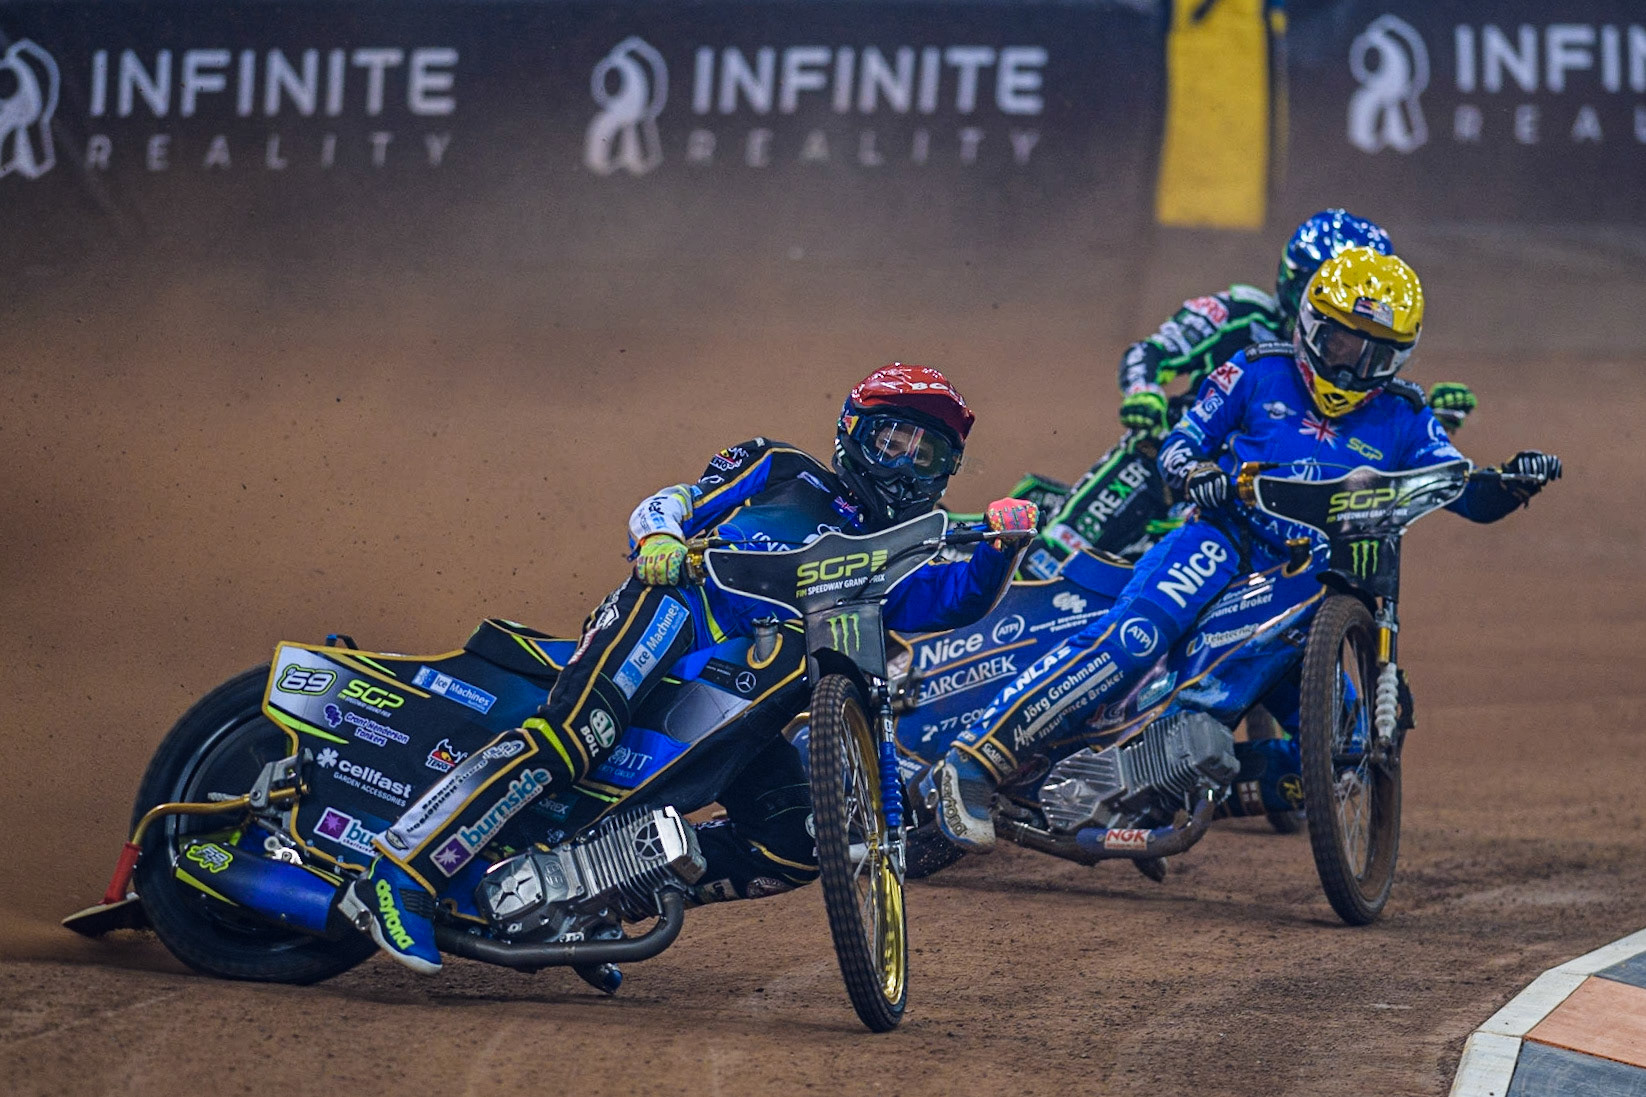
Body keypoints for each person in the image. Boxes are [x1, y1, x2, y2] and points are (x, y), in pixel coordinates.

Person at [338, 364, 1039, 972]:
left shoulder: (896, 553)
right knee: (576, 733)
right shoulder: (780, 466)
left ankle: (589, 899)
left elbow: (955, 598)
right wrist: (662, 538)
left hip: (754, 702)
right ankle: (400, 867)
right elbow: (672, 500)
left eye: (927, 451)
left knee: (796, 839)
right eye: (893, 437)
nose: (905, 458)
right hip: (675, 610)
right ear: (854, 433)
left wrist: (1003, 544)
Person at [929, 249, 1561, 851]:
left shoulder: (1405, 415)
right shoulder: (1256, 370)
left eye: (1376, 354)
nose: (1350, 366)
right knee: (1137, 637)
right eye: (1342, 342)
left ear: (1402, 357)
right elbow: (1181, 442)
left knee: (1351, 744)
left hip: (1312, 581)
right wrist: (1194, 472)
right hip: (1222, 540)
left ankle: (1156, 783)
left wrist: (1511, 484)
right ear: (1312, 326)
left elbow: (1460, 490)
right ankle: (976, 761)